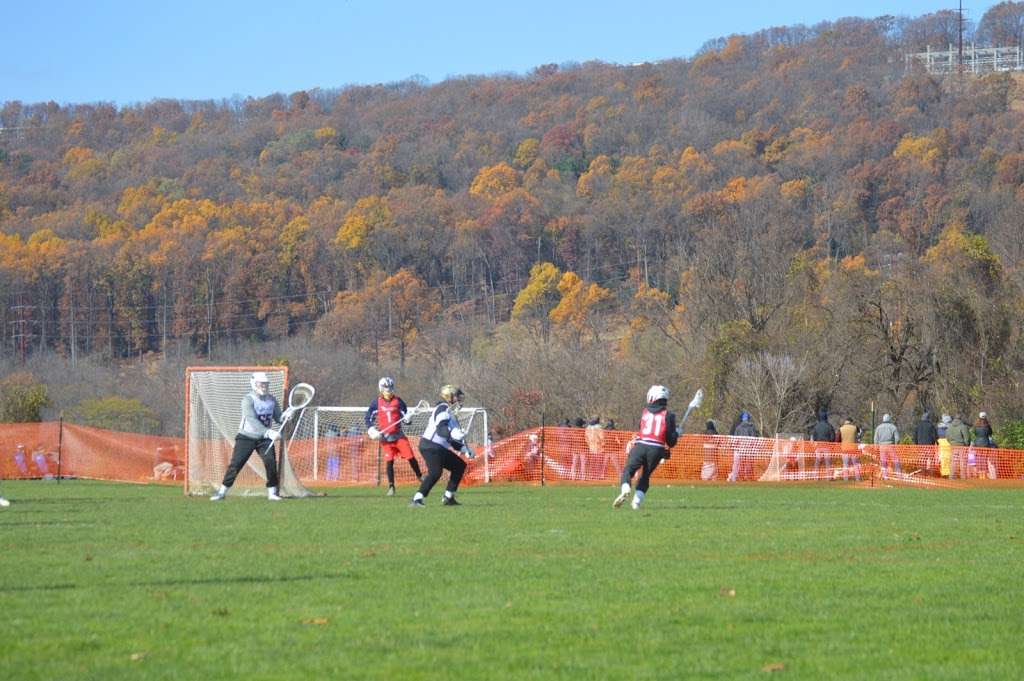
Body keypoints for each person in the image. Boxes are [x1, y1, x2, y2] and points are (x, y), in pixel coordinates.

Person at [210, 371, 294, 501]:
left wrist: (286, 417)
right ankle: (221, 492)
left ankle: (272, 493)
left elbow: (278, 418)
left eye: (266, 384)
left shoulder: (272, 400)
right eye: (261, 384)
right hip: (246, 437)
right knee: (236, 464)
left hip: (264, 439)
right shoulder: (248, 400)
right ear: (254, 383)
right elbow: (251, 420)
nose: (264, 386)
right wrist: (268, 432)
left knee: (270, 462)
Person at [613, 385, 678, 510]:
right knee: (645, 475)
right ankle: (636, 502)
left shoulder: (645, 411)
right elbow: (671, 442)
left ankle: (626, 488)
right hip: (656, 449)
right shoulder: (669, 415)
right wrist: (676, 434)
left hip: (641, 446)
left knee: (628, 470)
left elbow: (642, 429)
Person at [411, 385, 474, 507]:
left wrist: (464, 448)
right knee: (435, 473)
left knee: (459, 465)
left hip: (439, 447)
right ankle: (417, 499)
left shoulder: (450, 414)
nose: (458, 399)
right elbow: (441, 430)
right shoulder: (443, 408)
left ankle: (448, 497)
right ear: (448, 396)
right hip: (431, 446)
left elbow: (450, 439)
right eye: (455, 396)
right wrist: (452, 432)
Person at [366, 376, 424, 496]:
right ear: (381, 389)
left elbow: (405, 418)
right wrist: (371, 429)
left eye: (390, 387)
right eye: (386, 388)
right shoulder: (376, 403)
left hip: (399, 436)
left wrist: (407, 420)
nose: (388, 390)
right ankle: (391, 486)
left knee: (410, 457)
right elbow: (368, 418)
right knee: (389, 461)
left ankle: (420, 477)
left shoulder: (398, 401)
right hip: (386, 439)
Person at [728, 411, 759, 482]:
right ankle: (747, 477)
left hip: (740, 449)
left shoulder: (738, 427)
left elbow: (735, 439)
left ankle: (739, 478)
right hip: (749, 449)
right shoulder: (751, 427)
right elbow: (754, 438)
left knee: (740, 464)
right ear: (748, 418)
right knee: (748, 464)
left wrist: (734, 447)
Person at [873, 414, 900, 478]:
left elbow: (875, 439)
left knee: (883, 461)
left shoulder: (878, 428)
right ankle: (898, 475)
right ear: (889, 419)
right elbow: (897, 439)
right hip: (890, 446)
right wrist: (896, 445)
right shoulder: (893, 427)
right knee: (896, 460)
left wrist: (876, 448)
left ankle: (885, 476)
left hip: (882, 447)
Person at [811, 410, 836, 478]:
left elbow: (814, 437)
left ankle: (816, 476)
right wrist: (831, 443)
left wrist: (817, 441)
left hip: (818, 446)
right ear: (826, 417)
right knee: (828, 462)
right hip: (827, 446)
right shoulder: (829, 426)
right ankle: (829, 476)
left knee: (817, 461)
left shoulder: (816, 426)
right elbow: (833, 437)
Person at [946, 414, 971, 479]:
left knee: (953, 461)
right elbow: (967, 438)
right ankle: (963, 476)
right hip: (962, 446)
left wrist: (951, 443)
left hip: (953, 446)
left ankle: (952, 476)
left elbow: (947, 437)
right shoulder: (963, 426)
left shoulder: (949, 426)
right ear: (960, 419)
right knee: (962, 461)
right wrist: (966, 444)